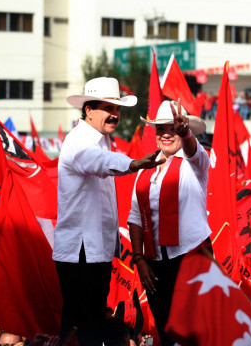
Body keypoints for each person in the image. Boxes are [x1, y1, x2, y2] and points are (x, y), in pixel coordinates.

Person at [53, 77, 165, 346]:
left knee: (89, 326)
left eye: (117, 109)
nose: (114, 114)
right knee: (81, 329)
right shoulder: (78, 140)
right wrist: (134, 163)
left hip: (95, 252)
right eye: (107, 108)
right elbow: (99, 162)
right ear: (88, 110)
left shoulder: (101, 141)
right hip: (79, 253)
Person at [128, 100, 211, 346]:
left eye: (172, 128)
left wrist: (184, 132)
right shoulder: (145, 169)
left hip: (190, 258)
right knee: (166, 333)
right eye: (160, 128)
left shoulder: (194, 163)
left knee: (193, 332)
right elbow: (134, 216)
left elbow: (194, 151)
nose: (166, 133)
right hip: (155, 265)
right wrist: (139, 258)